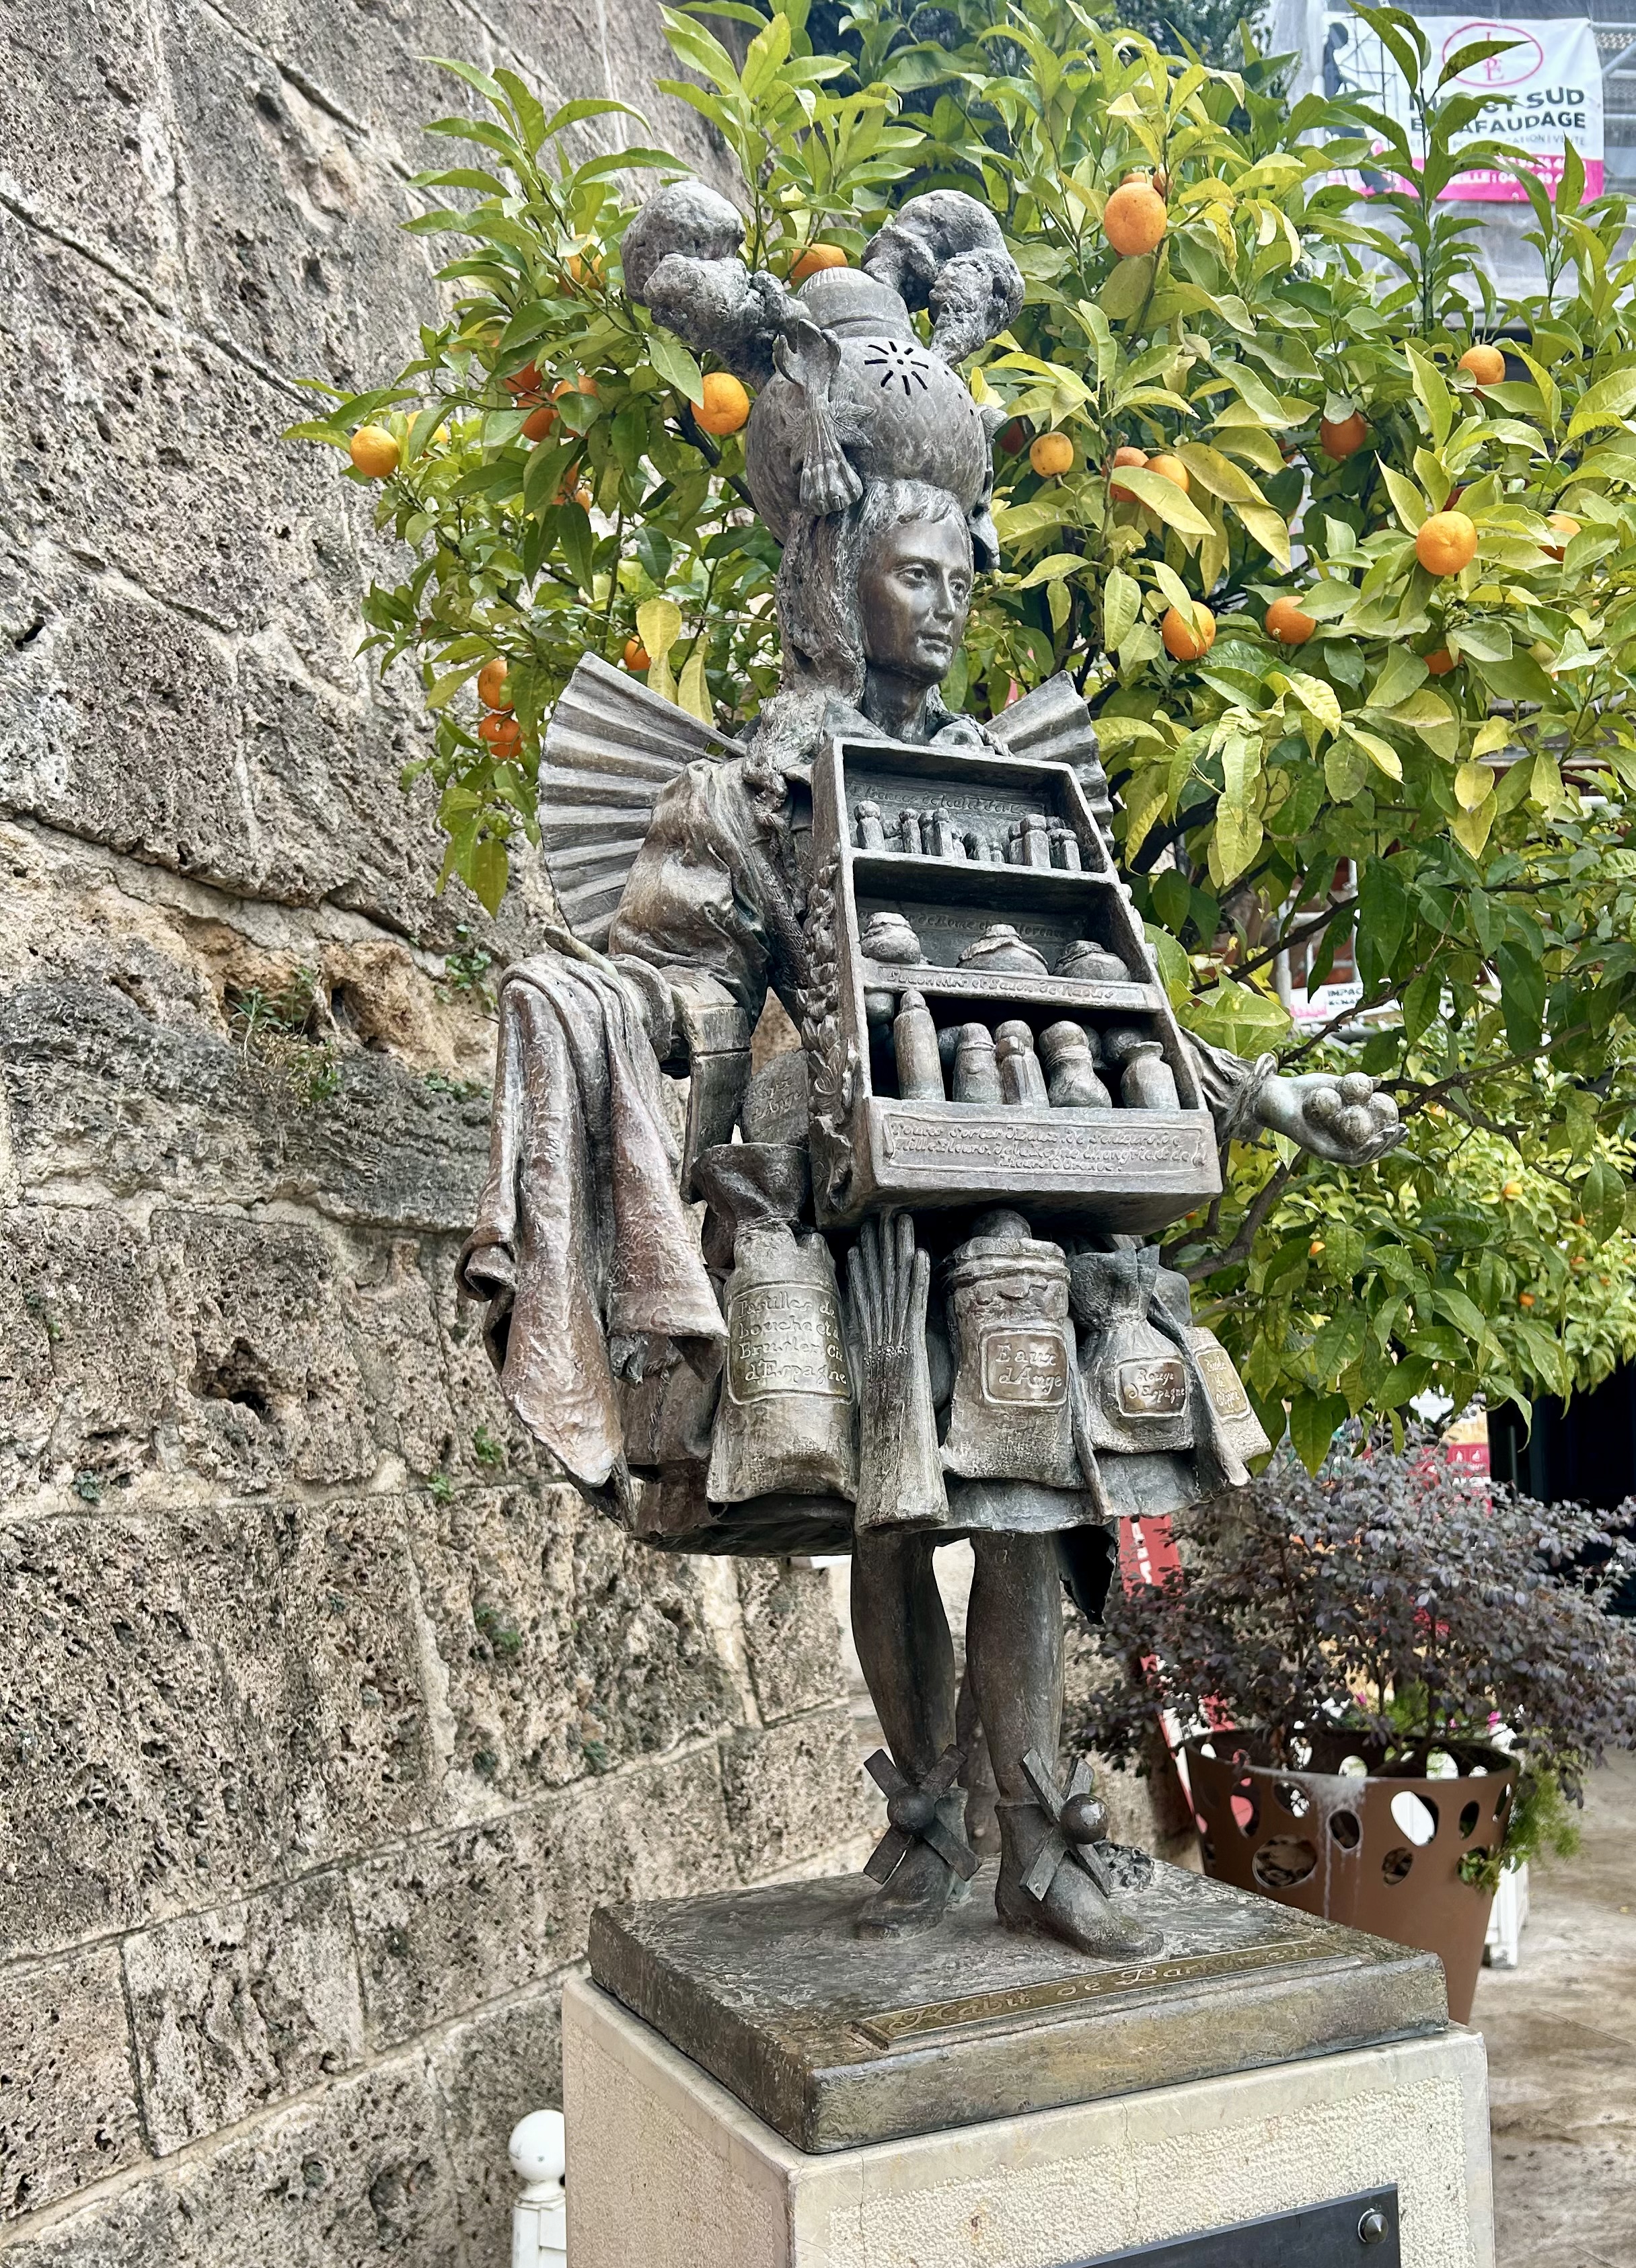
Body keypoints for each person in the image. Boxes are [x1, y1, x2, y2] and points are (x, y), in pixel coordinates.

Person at [461, 190, 1401, 1962]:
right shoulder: (749, 784)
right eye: (918, 573)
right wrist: (604, 1022)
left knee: (1030, 1512)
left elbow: (1090, 991)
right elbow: (691, 990)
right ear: (836, 574)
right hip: (839, 1192)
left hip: (1020, 1186)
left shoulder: (998, 771)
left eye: (967, 575)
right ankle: (927, 1827)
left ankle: (1039, 1837)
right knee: (892, 1517)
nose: (951, 604)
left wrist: (1257, 1089)